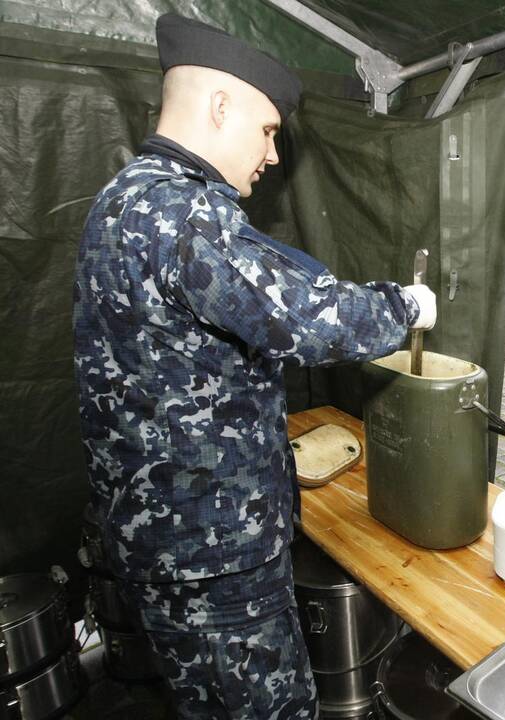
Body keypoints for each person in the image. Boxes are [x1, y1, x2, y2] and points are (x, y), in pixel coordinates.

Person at [73, 14, 436, 718]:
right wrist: (405, 306)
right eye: (268, 130)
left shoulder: (124, 196)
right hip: (214, 549)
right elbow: (301, 315)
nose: (271, 155)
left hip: (162, 535)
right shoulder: (181, 212)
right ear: (219, 105)